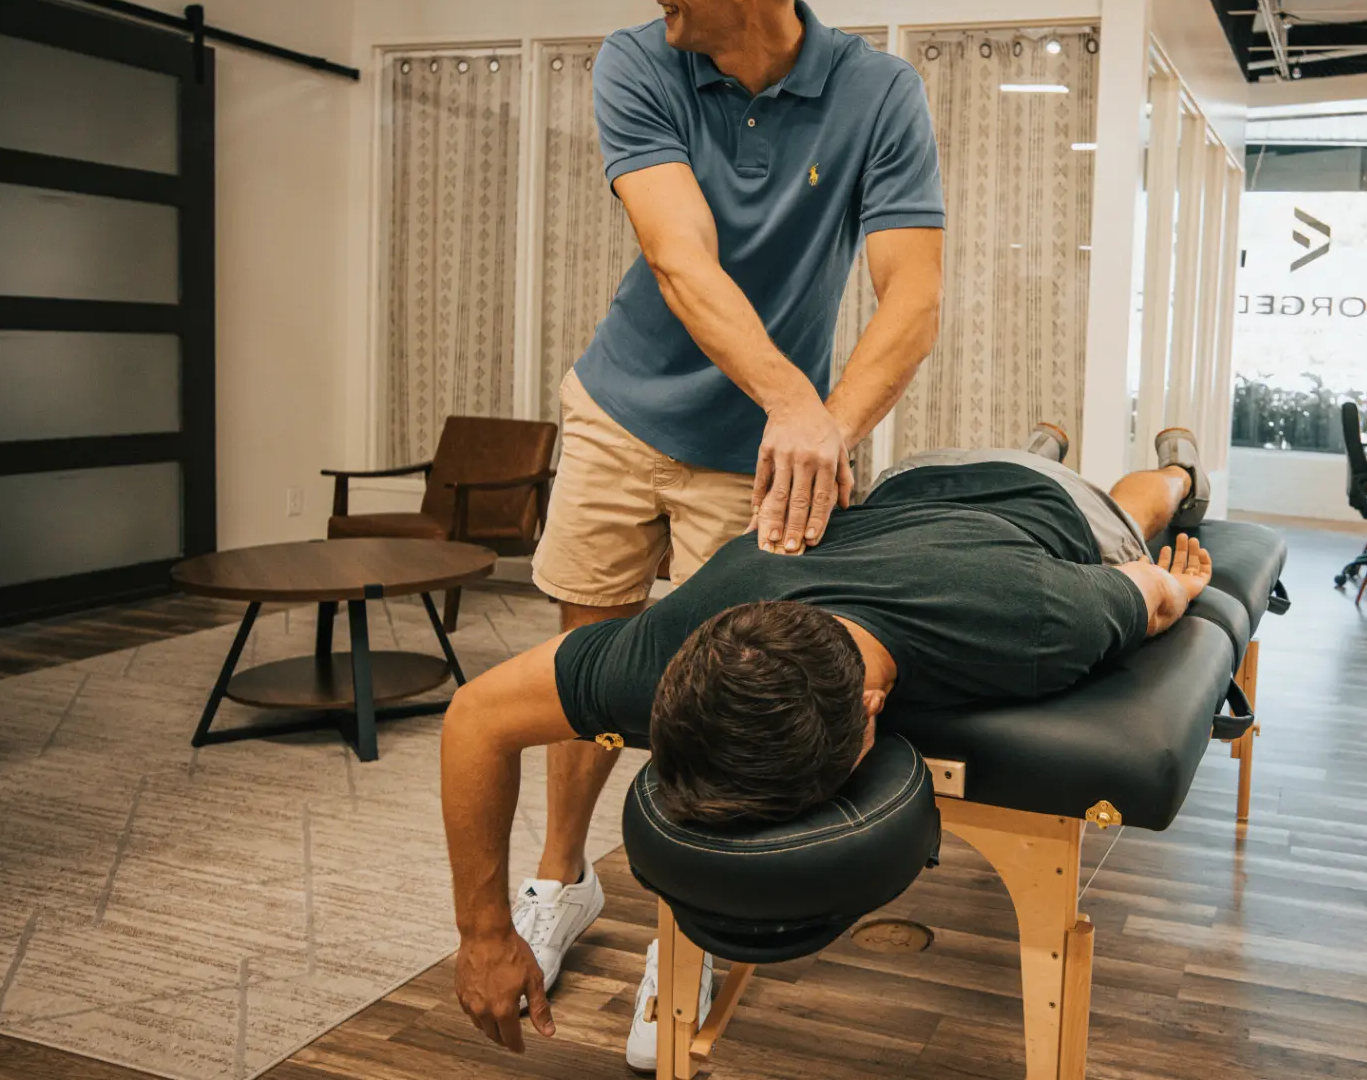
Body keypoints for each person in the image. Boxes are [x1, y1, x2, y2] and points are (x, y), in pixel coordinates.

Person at [513, 0, 946, 1001]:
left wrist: (824, 426)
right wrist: (797, 401)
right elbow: (679, 255)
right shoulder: (639, 62)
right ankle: (559, 877)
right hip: (621, 411)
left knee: (726, 693)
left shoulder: (877, 93)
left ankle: (688, 931)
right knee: (586, 665)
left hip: (752, 459)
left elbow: (911, 297)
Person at [442, 429, 1217, 1067]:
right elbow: (475, 717)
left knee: (1129, 513)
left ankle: (1178, 464)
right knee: (1023, 475)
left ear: (870, 715)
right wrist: (481, 934)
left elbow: (1152, 597)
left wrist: (1182, 586)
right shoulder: (663, 648)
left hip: (1044, 505)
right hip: (913, 481)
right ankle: (1039, 437)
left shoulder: (1036, 618)